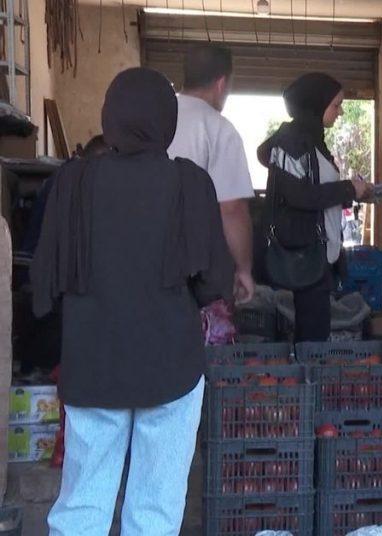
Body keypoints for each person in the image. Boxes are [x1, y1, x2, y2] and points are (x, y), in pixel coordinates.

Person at [33, 67, 234, 535]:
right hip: (170, 367)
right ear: (167, 121)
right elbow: (211, 285)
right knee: (155, 510)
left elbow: (46, 279)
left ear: (110, 117)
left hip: (93, 362)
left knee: (83, 504)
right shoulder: (189, 183)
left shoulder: (73, 182)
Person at [258, 72, 371, 342]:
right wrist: (347, 189)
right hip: (304, 255)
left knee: (317, 329)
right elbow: (300, 196)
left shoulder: (314, 143)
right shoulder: (291, 145)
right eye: (336, 105)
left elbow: (317, 194)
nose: (341, 112)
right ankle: (307, 381)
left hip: (321, 255)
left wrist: (354, 193)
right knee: (312, 334)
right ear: (315, 104)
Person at [167, 44, 256, 305]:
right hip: (191, 268)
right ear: (222, 83)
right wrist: (244, 269)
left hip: (136, 256)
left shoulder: (156, 114)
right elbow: (231, 208)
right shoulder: (218, 129)